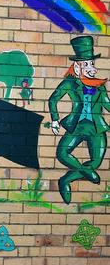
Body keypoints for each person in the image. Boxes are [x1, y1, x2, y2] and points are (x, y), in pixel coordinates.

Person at [49, 35, 110, 204]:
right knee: (62, 153)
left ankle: (66, 180)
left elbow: (107, 104)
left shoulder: (99, 85)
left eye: (92, 63)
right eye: (87, 64)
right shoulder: (70, 83)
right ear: (77, 66)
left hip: (96, 128)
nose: (92, 68)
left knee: (96, 161)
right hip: (77, 126)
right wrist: (55, 120)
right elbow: (53, 99)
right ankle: (85, 170)